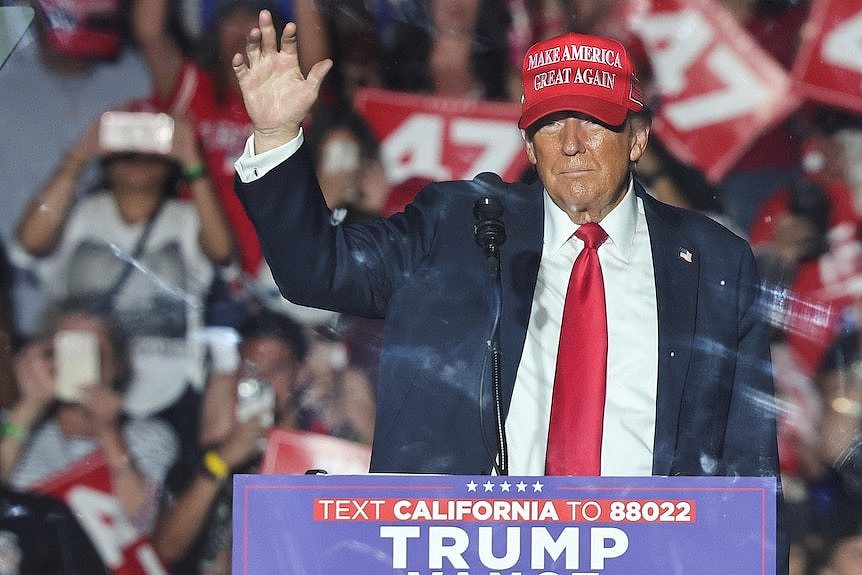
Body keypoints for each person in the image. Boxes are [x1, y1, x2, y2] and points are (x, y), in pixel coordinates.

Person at [231, 7, 785, 566]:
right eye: (549, 123)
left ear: (637, 138)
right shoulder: (458, 226)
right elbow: (316, 271)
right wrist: (277, 136)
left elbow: (751, 465)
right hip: (470, 552)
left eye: (592, 121)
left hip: (651, 556)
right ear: (527, 144)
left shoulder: (713, 260)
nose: (570, 144)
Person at [11, 107, 233, 459]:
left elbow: (223, 255)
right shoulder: (79, 214)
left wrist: (192, 158)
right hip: (71, 394)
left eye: (151, 152)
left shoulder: (189, 220)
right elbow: (27, 245)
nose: (138, 160)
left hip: (167, 397)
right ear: (107, 162)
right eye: (125, 151)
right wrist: (80, 153)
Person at [0, 300, 179, 536]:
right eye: (65, 350)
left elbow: (144, 523)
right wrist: (29, 406)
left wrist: (108, 431)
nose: (77, 363)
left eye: (92, 352)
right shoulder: (15, 432)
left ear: (116, 365)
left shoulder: (148, 435)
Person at [152, 308, 309, 574]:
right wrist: (220, 461)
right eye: (251, 367)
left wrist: (284, 442)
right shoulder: (206, 457)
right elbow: (167, 548)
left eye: (278, 369)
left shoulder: (315, 454)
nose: (263, 380)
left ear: (299, 374)